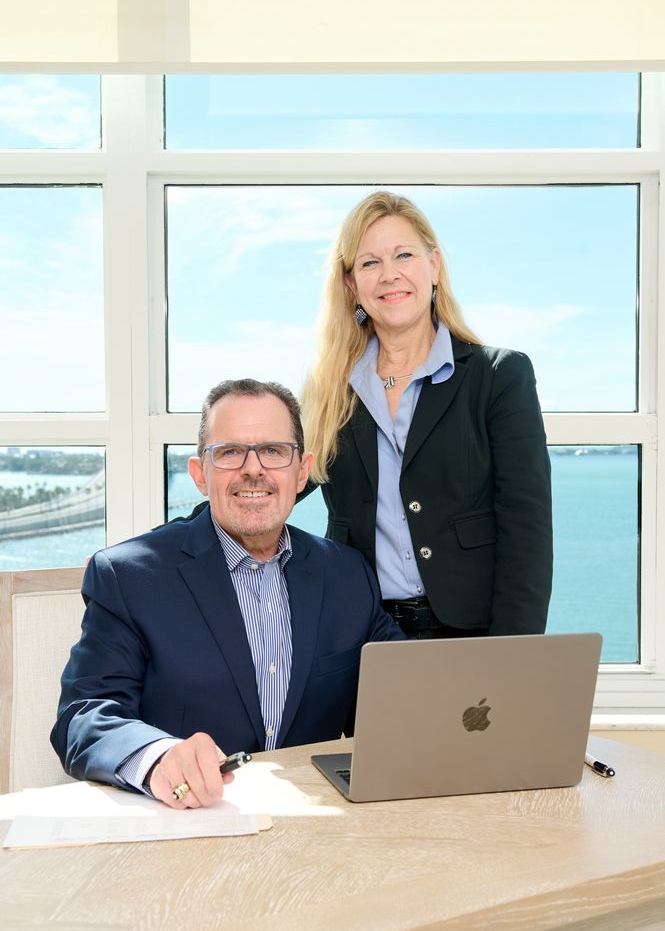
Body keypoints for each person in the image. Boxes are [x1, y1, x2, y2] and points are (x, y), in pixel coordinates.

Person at [51, 379, 402, 809]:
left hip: (318, 828)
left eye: (273, 451)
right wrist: (157, 756)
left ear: (301, 471)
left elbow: (401, 700)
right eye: (230, 452)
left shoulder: (348, 575)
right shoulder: (128, 577)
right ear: (200, 474)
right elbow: (84, 718)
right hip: (189, 826)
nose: (253, 469)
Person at [299, 190, 553, 639]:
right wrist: (164, 544)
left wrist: (515, 652)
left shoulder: (499, 377)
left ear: (433, 266)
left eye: (404, 255)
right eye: (369, 262)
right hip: (360, 632)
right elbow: (267, 481)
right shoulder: (330, 391)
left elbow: (527, 532)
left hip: (470, 633)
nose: (390, 275)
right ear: (351, 284)